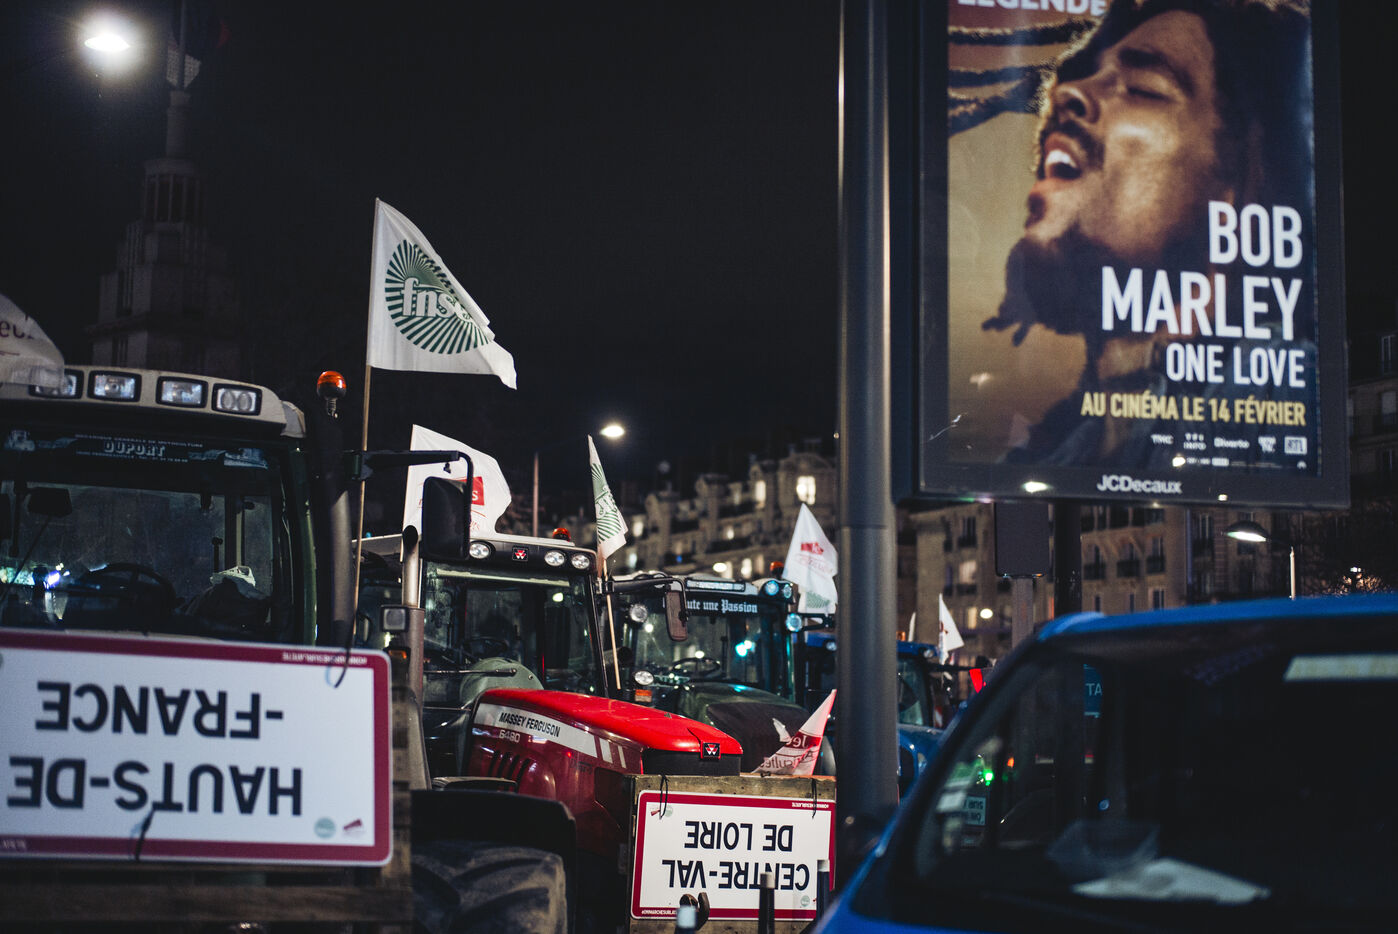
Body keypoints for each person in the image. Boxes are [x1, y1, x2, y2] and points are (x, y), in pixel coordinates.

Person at [972, 0, 1315, 468]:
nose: (1068, 91)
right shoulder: (1050, 459)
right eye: (1089, 72)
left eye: (1143, 88)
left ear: (1237, 183)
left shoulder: (1291, 392)